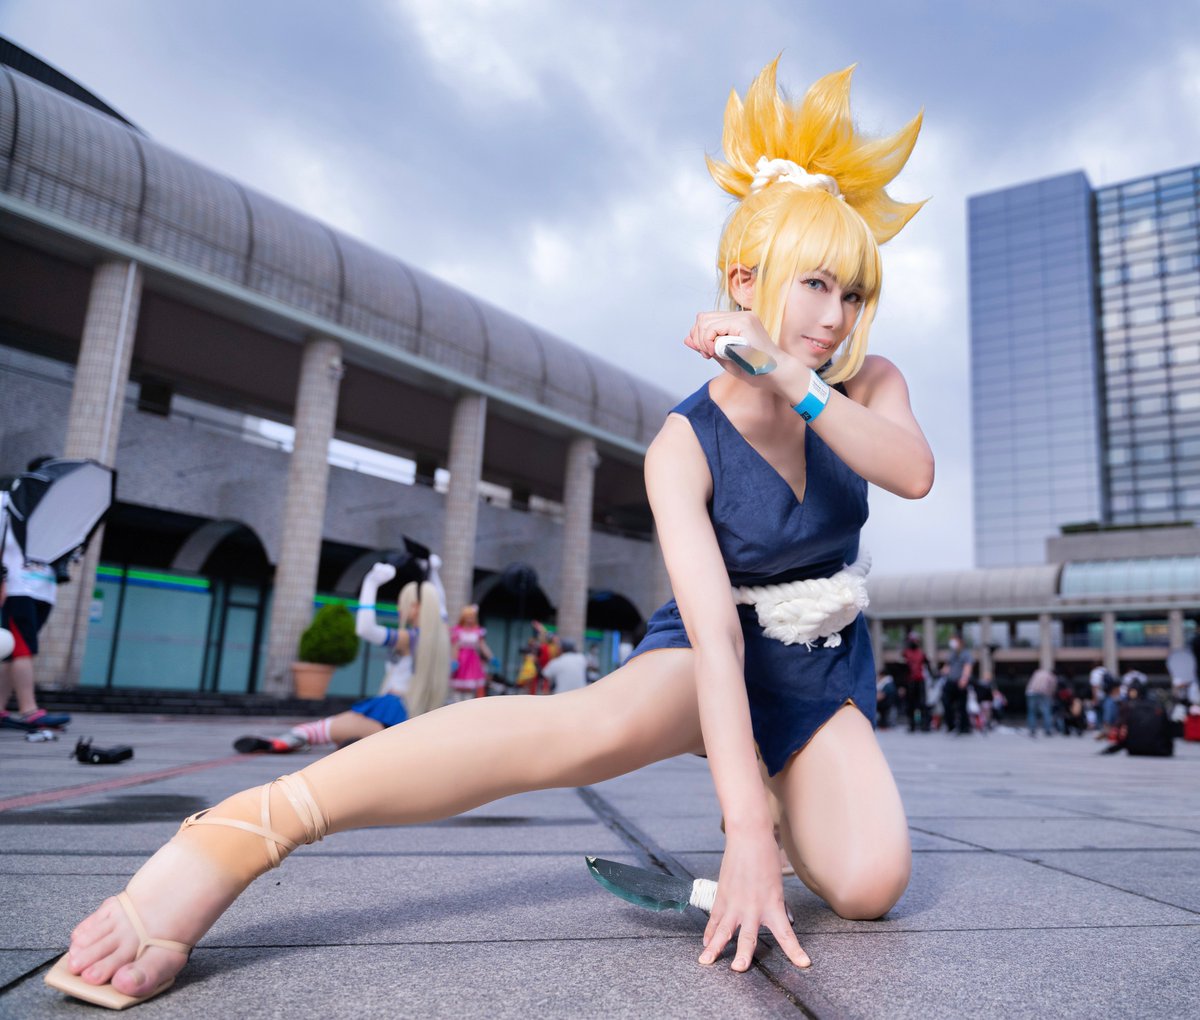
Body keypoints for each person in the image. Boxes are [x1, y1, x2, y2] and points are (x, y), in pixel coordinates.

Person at [48, 60, 933, 1008]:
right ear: (743, 280)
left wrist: (793, 381)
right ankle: (240, 831)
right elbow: (717, 639)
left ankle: (772, 779)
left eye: (853, 293)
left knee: (869, 886)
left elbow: (911, 472)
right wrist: (742, 837)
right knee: (578, 730)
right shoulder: (684, 443)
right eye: (816, 284)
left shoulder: (865, 384)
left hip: (816, 664)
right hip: (711, 652)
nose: (835, 316)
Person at [232, 564, 449, 753]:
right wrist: (433, 573)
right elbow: (440, 610)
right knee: (344, 738)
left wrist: (370, 583)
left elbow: (365, 629)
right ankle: (352, 746)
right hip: (413, 717)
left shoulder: (409, 638)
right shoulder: (440, 641)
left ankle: (287, 741)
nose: (400, 608)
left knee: (318, 729)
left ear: (415, 607)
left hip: (390, 710)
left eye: (404, 603)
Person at [0, 456, 71, 731]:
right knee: (21, 649)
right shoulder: (7, 501)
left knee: (11, 651)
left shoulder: (56, 511)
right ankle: (29, 710)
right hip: (16, 587)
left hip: (44, 589)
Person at [449, 603, 493, 702]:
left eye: (472, 617)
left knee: (470, 688)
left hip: (472, 662)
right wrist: (454, 660)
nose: (469, 619)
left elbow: (482, 646)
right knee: (458, 688)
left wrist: (491, 657)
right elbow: (455, 647)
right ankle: (457, 705)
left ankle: (467, 706)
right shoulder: (458, 631)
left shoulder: (477, 631)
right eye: (468, 617)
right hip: (461, 660)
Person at [941, 634, 974, 735]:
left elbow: (968, 667)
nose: (952, 643)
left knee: (961, 705)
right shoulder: (952, 654)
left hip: (960, 682)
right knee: (946, 702)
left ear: (960, 642)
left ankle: (964, 726)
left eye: (954, 640)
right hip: (950, 682)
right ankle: (951, 725)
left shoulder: (966, 654)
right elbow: (947, 667)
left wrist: (964, 678)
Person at [901, 633, 929, 732]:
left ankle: (924, 725)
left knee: (922, 704)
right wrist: (902, 685)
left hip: (920, 681)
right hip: (910, 682)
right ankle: (912, 725)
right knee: (910, 705)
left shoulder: (922, 654)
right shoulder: (905, 653)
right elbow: (902, 670)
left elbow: (928, 667)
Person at [1025, 665, 1056, 737]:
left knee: (1032, 712)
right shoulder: (1052, 676)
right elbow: (1052, 689)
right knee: (1046, 711)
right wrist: (1050, 695)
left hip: (1031, 692)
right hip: (1043, 693)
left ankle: (1032, 730)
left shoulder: (1037, 673)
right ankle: (1047, 730)